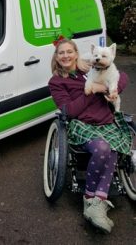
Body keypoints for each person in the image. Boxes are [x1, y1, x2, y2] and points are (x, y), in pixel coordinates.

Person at [48, 37, 132, 234]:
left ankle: (99, 201)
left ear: (76, 54)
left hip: (104, 118)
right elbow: (69, 111)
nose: (66, 55)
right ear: (57, 57)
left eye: (70, 51)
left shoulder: (89, 68)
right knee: (103, 148)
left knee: (113, 146)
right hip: (81, 123)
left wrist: (107, 89)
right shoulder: (57, 82)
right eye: (62, 53)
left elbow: (124, 77)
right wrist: (90, 92)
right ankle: (89, 198)